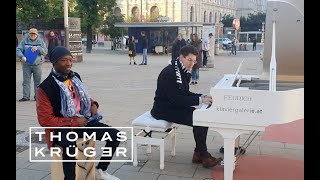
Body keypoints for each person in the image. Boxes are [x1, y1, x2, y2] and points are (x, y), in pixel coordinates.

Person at [36, 46, 120, 180]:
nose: (69, 63)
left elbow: (82, 97)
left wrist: (93, 104)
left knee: (115, 135)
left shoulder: (75, 77)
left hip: (82, 121)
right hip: (61, 128)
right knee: (69, 146)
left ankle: (101, 170)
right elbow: (45, 120)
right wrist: (74, 122)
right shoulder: (45, 88)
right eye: (64, 60)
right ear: (54, 62)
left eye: (70, 60)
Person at [150, 45, 223, 168]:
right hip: (163, 109)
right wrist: (199, 100)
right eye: (190, 60)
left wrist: (202, 96)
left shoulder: (181, 70)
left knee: (201, 118)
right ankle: (203, 155)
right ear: (181, 57)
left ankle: (198, 153)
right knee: (198, 120)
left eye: (194, 61)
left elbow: (184, 94)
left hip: (172, 106)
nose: (192, 64)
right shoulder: (170, 73)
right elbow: (176, 99)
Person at [16, 28, 48, 102]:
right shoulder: (24, 41)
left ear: (37, 35)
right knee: (26, 81)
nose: (32, 35)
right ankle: (25, 96)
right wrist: (21, 56)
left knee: (37, 81)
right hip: (26, 64)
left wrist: (38, 48)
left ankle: (37, 97)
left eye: (34, 34)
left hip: (37, 65)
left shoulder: (41, 42)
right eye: (31, 34)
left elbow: (45, 52)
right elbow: (18, 49)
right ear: (29, 34)